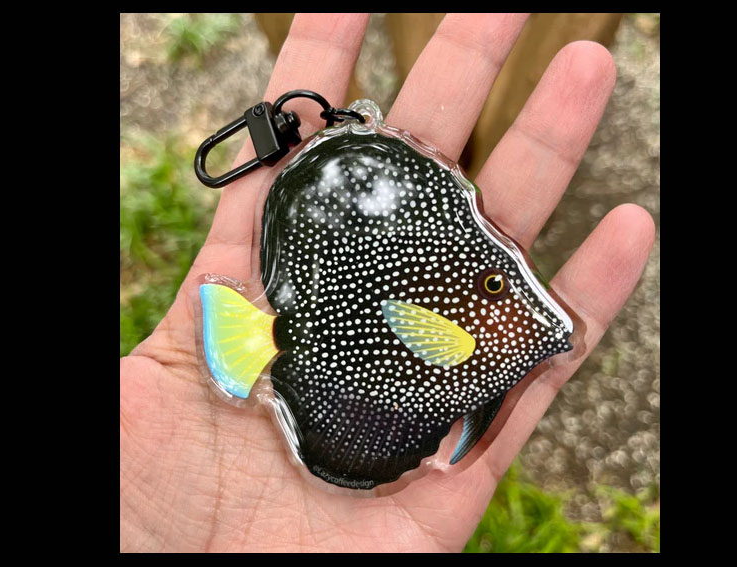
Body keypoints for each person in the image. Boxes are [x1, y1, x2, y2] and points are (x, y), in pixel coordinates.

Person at [120, 13, 655, 552]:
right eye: (495, 286)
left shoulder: (493, 352)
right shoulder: (478, 339)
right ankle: (266, 343)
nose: (529, 307)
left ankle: (272, 346)